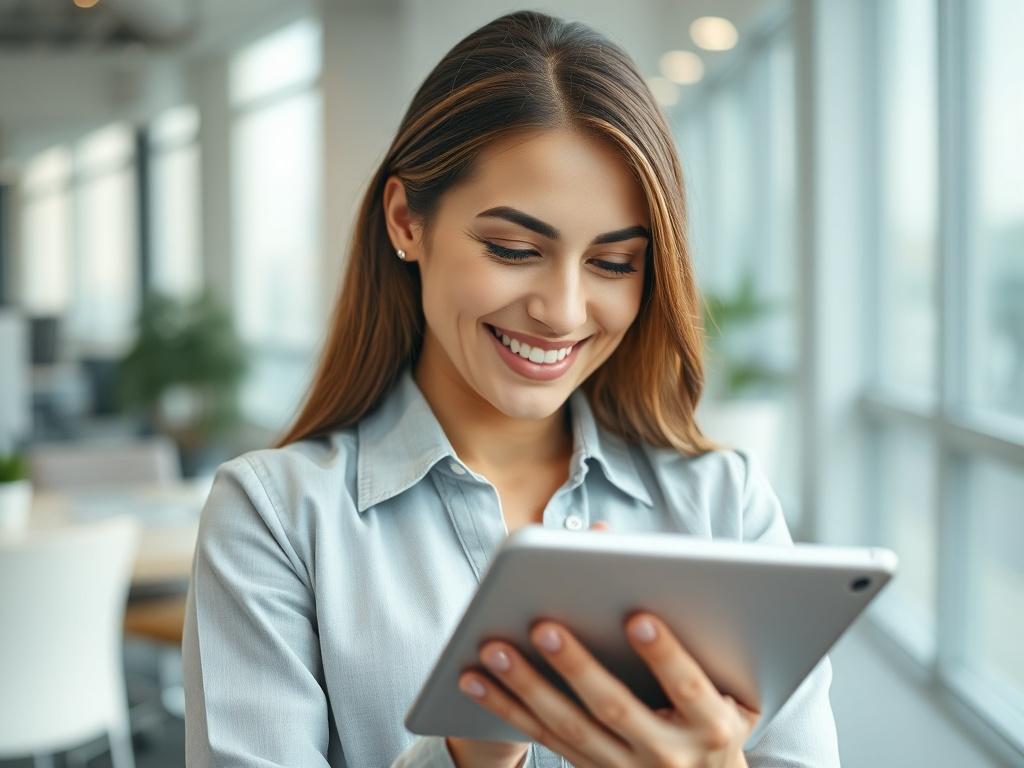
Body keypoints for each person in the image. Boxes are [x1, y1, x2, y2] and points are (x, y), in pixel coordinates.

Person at [182, 9, 841, 768]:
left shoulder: (725, 505)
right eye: (514, 248)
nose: (561, 311)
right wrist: (468, 750)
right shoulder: (276, 520)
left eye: (613, 263)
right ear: (406, 221)